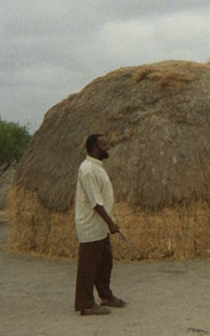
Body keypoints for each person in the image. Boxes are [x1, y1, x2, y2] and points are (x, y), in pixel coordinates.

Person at [74, 134, 126, 316]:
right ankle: (85, 304)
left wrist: (108, 224)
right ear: (95, 148)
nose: (108, 146)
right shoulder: (87, 170)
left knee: (105, 263)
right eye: (104, 144)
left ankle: (105, 296)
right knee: (88, 267)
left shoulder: (96, 168)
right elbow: (95, 202)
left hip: (100, 226)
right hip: (91, 226)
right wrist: (111, 223)